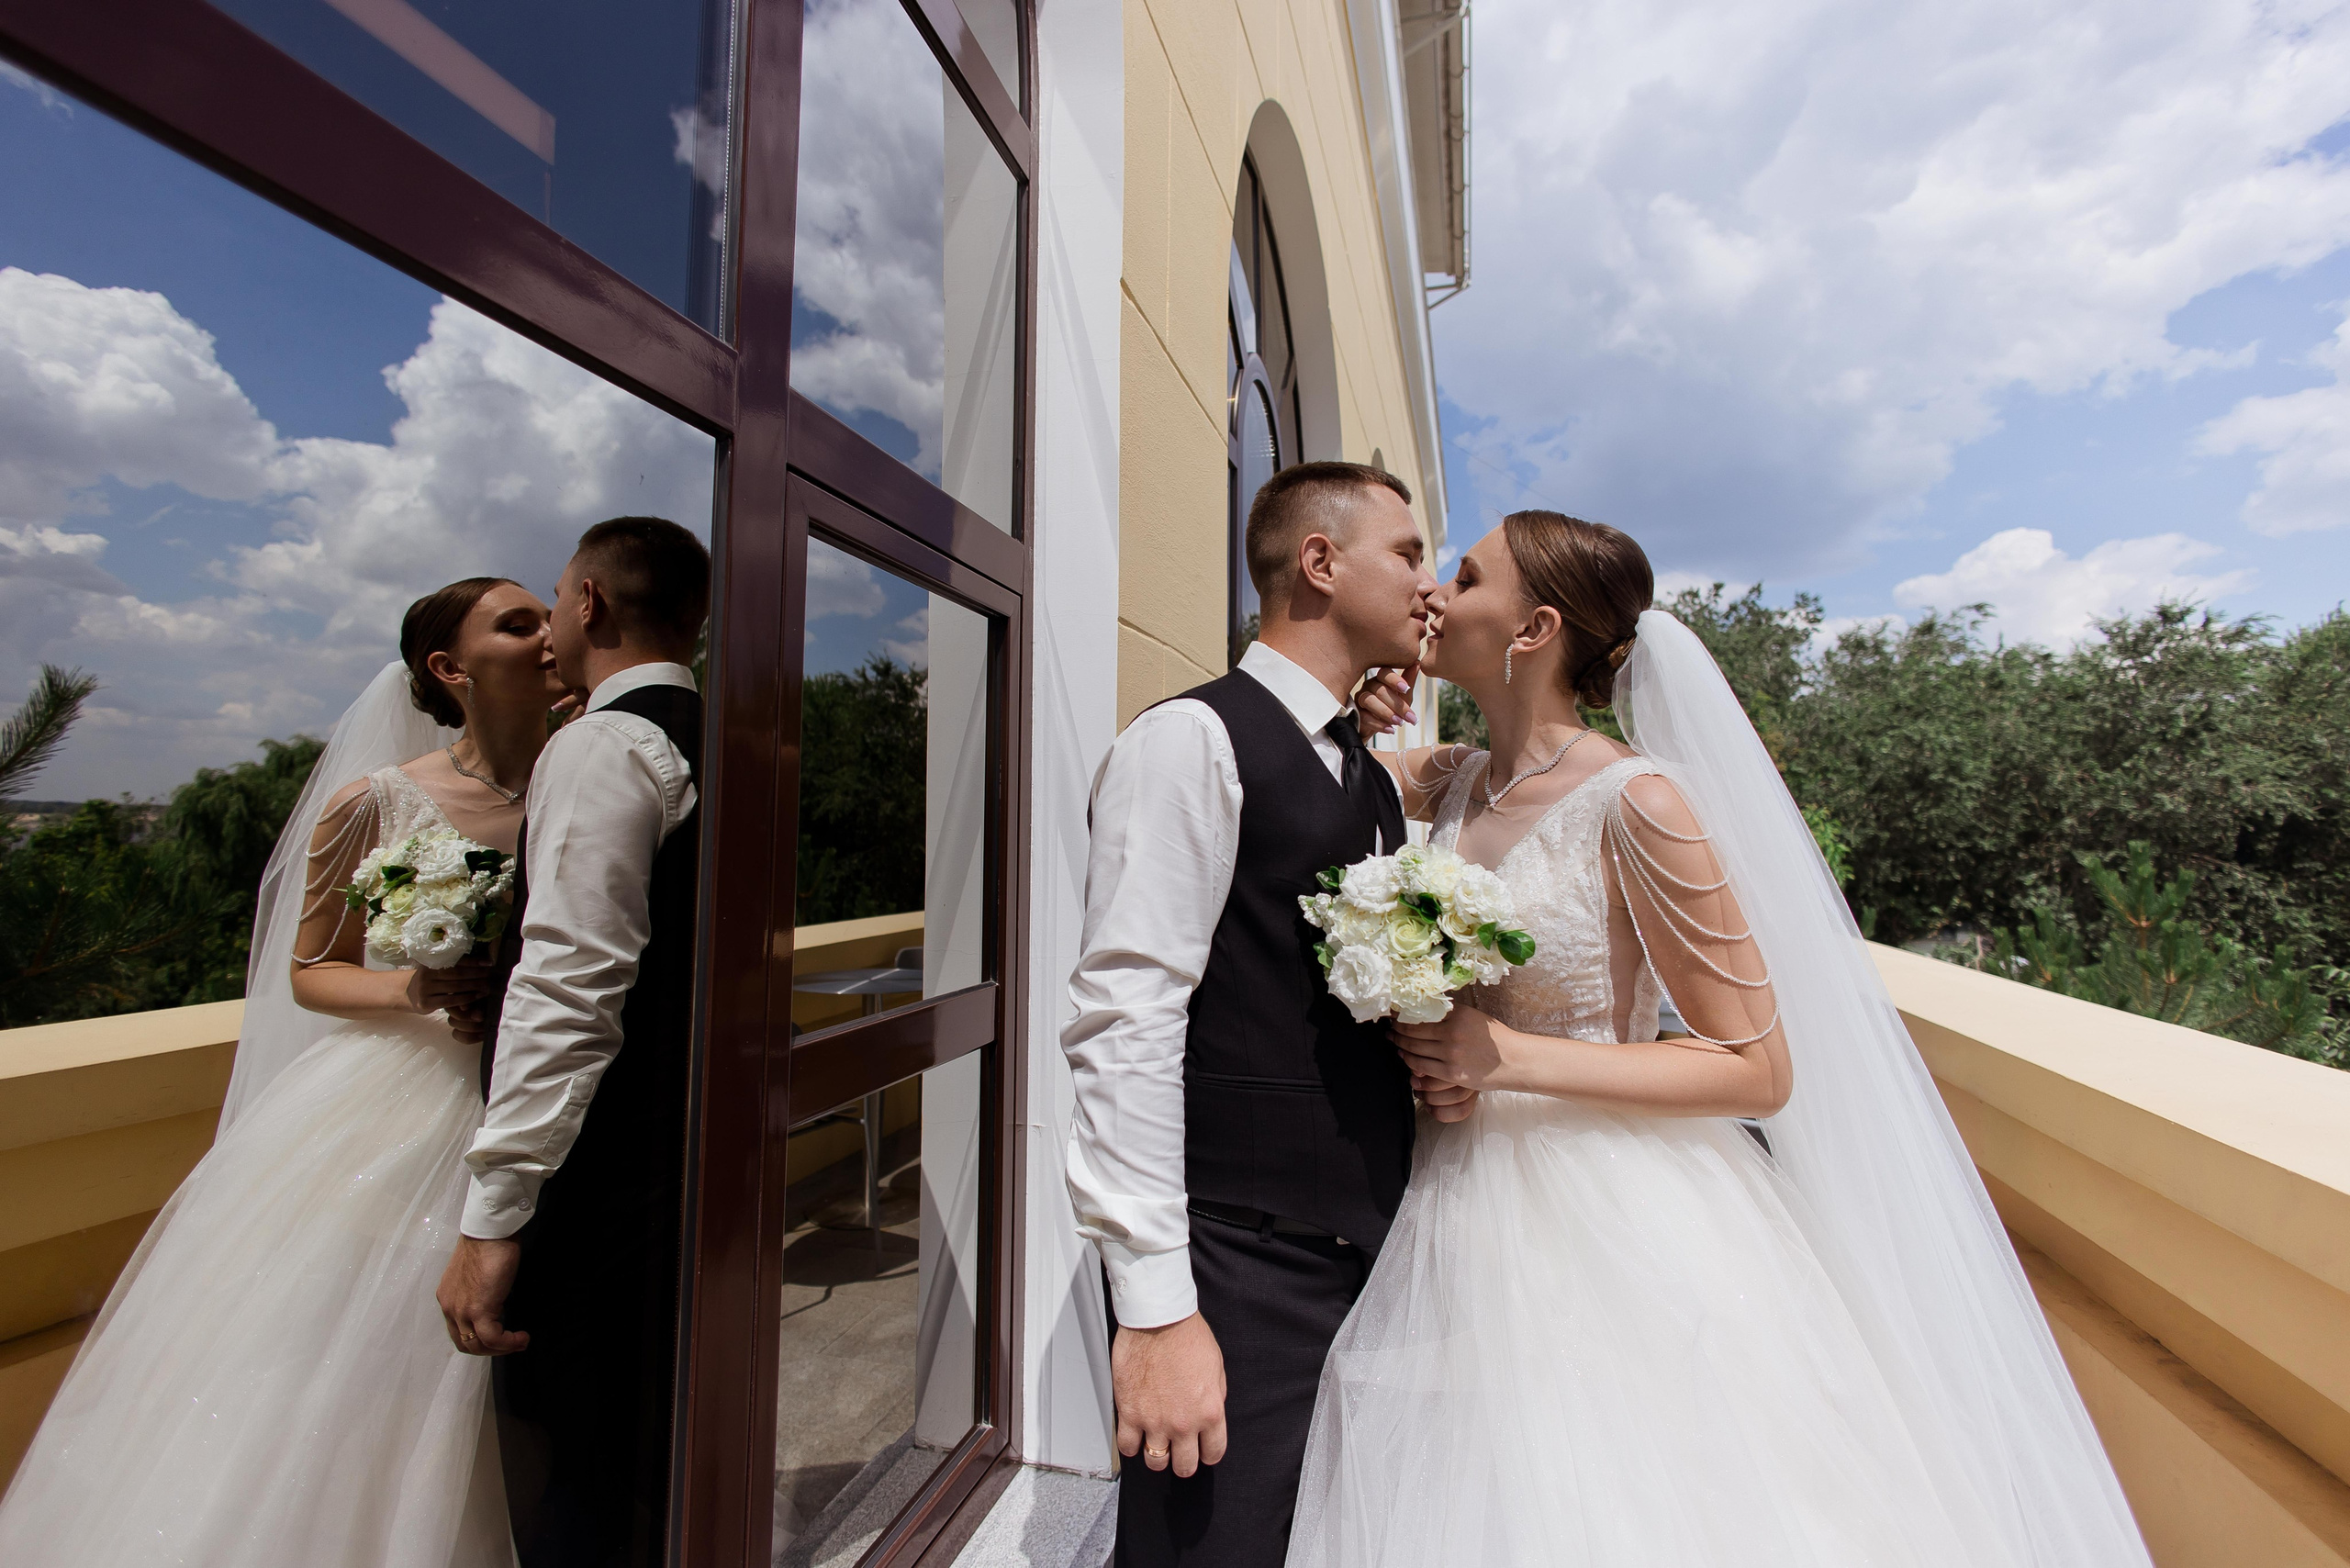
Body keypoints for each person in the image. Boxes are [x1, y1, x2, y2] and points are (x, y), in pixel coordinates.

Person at [1286, 512, 2155, 1566]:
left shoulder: (1638, 801)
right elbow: (1316, 763)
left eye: (1464, 577)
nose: (1436, 593)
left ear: (1533, 627)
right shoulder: (1450, 781)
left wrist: (1505, 1059)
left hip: (1601, 1208)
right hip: (1444, 1192)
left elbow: (1756, 1064)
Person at [0, 578, 567, 1566]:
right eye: (518, 624)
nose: (550, 636)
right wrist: (417, 992)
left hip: (546, 1102)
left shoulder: (582, 788)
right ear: (449, 670)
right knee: (373, 1369)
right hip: (404, 1112)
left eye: (546, 616)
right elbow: (310, 971)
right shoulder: (379, 800)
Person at [1061, 461, 1458, 1567]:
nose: (1429, 583)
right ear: (1320, 564)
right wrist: (1155, 1308)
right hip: (1239, 1266)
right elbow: (1124, 1019)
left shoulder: (1368, 779)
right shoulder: (1188, 742)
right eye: (1410, 553)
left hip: (1360, 1252)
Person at [435, 516, 710, 1567]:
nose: (549, 621)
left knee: (574, 1473)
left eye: (553, 598)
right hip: (685, 1163)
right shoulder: (726, 732)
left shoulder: (601, 744)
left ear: (588, 604)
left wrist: (494, 1215)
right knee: (650, 1457)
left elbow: (571, 986)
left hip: (598, 1180)